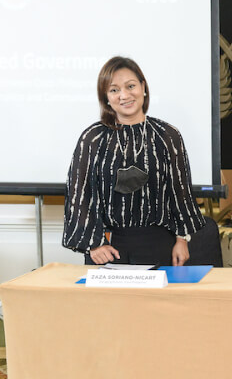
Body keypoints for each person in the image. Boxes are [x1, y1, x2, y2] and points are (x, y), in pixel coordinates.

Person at [63, 56, 207, 266]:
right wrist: (94, 244)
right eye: (114, 90)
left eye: (130, 86)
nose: (124, 95)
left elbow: (180, 192)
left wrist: (182, 239)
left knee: (155, 300)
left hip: (158, 243)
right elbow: (78, 194)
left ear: (143, 87)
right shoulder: (93, 138)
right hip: (107, 246)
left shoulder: (167, 135)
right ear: (106, 97)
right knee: (108, 301)